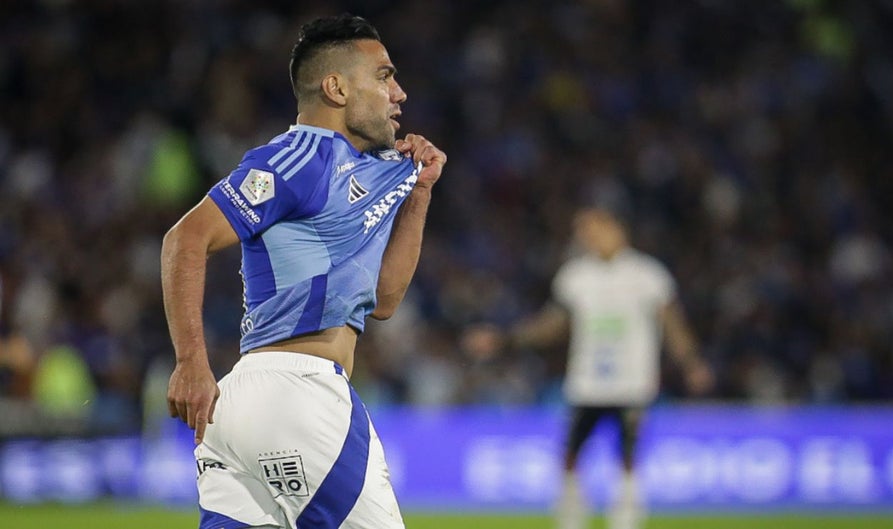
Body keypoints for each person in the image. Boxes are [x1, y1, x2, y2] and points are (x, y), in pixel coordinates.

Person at [161, 14, 446, 529]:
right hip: (298, 394)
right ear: (336, 88)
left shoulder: (372, 170)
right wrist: (190, 362)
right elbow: (186, 238)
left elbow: (383, 301)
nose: (399, 92)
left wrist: (420, 192)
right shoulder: (298, 158)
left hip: (240, 410)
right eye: (384, 76)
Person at [465, 201, 713, 529]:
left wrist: (691, 362)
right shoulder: (576, 276)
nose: (587, 236)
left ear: (616, 228)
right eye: (582, 231)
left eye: (593, 228)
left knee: (627, 454)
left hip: (632, 381)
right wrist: (505, 339)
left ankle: (626, 514)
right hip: (587, 381)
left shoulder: (647, 275)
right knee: (571, 453)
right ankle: (572, 512)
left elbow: (672, 324)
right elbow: (552, 325)